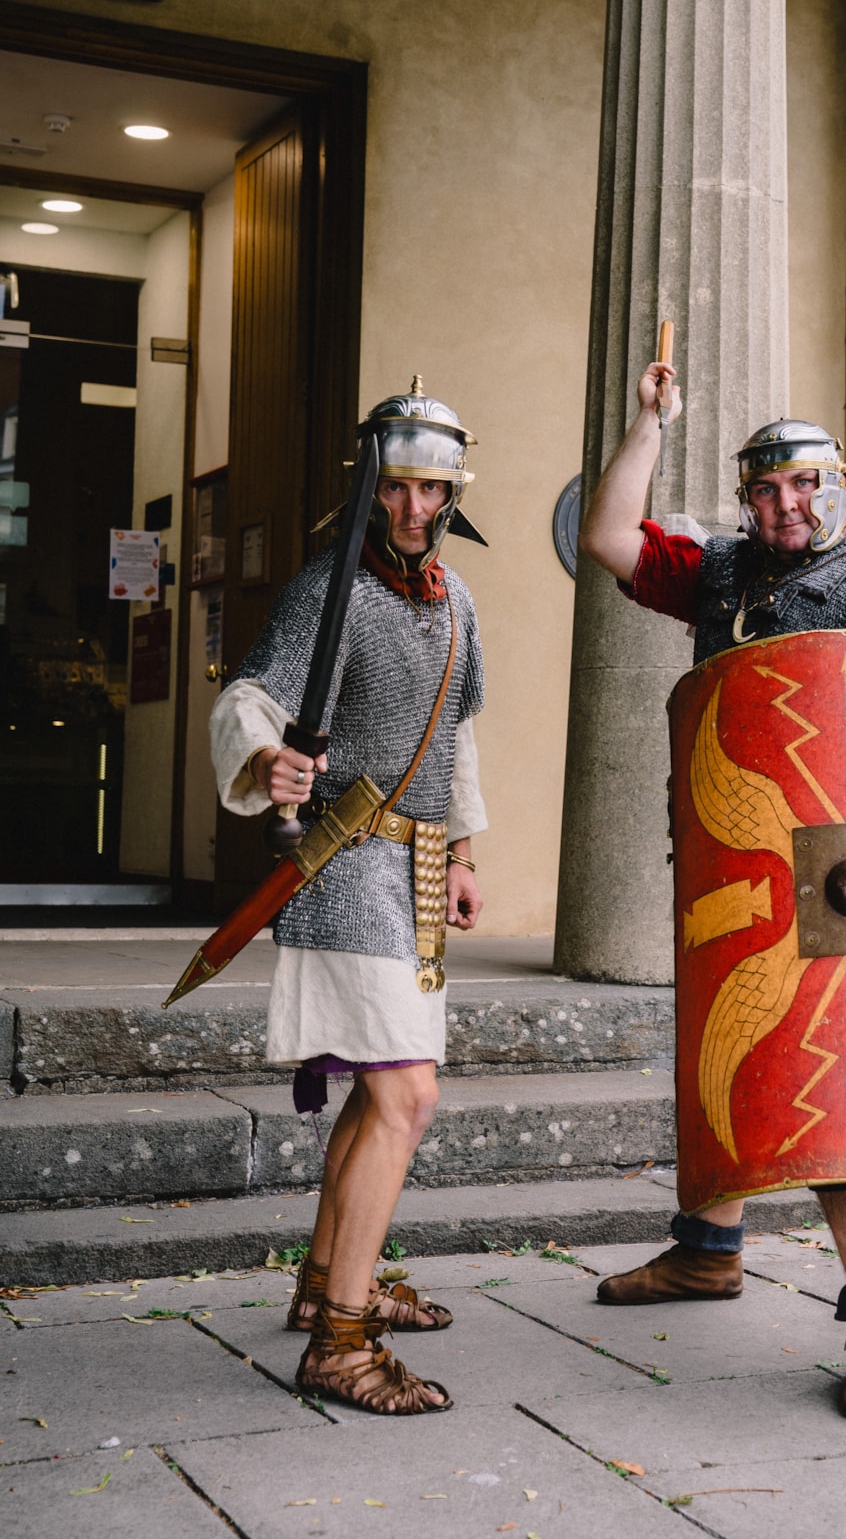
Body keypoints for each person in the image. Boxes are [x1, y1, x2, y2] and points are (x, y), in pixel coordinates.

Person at [579, 358, 846, 1422]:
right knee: (725, 1054)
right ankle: (709, 1249)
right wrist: (652, 422)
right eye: (765, 488)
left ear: (840, 487)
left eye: (803, 484)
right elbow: (609, 539)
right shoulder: (721, 573)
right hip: (741, 867)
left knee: (841, 1098)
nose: (785, 505)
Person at [210, 379, 487, 1417]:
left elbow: (457, 735)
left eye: (433, 489)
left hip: (414, 871)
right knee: (407, 1094)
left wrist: (460, 852)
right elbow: (249, 694)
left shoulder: (457, 601)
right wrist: (268, 757)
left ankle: (332, 1283)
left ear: (455, 491)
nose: (415, 508)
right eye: (399, 487)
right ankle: (340, 1340)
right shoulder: (329, 586)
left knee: (382, 1091)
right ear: (372, 487)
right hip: (344, 863)